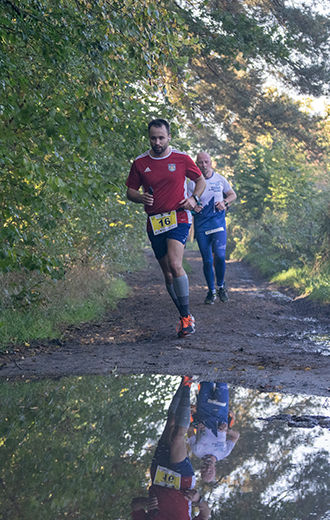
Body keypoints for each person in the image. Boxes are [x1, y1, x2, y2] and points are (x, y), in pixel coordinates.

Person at [126, 119, 206, 338]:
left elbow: (200, 181)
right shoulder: (141, 162)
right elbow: (130, 191)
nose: (157, 141)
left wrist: (193, 198)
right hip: (155, 221)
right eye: (153, 138)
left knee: (175, 263)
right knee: (167, 273)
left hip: (178, 217)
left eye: (161, 137)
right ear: (149, 137)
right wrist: (139, 196)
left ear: (169, 137)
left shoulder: (181, 159)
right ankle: (183, 315)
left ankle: (186, 317)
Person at [130, 376, 212, 519]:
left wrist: (147, 502)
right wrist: (198, 499)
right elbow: (205, 514)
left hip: (158, 475)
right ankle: (188, 383)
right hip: (182, 482)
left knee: (171, 423)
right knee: (177, 438)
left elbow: (135, 505)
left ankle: (183, 382)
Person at [186, 152, 237, 305]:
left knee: (220, 256)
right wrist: (195, 208)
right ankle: (211, 291)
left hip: (218, 224)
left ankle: (221, 286)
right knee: (208, 261)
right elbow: (188, 205)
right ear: (196, 164)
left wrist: (225, 203)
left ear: (211, 163)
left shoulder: (220, 179)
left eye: (206, 161)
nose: (204, 165)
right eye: (200, 162)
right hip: (202, 226)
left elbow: (232, 194)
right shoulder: (192, 183)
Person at [188, 381, 240, 483]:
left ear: (200, 469)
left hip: (204, 408)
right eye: (210, 472)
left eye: (204, 471)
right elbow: (236, 436)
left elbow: (189, 429)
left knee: (207, 378)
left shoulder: (196, 450)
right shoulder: (224, 453)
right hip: (221, 410)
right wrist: (227, 430)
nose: (207, 469)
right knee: (222, 380)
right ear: (215, 470)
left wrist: (196, 426)